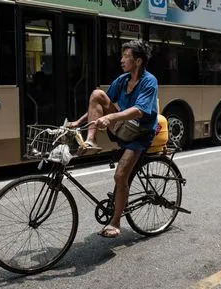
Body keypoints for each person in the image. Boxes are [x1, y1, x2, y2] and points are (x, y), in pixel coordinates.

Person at [68, 40, 158, 238]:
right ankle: (91, 141)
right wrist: (79, 121)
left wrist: (110, 117)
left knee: (120, 176)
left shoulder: (149, 81)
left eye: (126, 57)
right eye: (123, 56)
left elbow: (140, 111)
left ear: (138, 61)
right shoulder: (123, 80)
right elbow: (98, 104)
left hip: (140, 134)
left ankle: (115, 221)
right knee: (97, 93)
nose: (122, 60)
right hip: (123, 127)